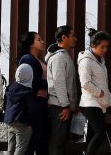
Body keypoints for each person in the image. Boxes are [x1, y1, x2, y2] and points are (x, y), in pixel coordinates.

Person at [78, 29, 111, 155]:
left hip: (99, 103)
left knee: (92, 134)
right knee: (100, 132)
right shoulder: (86, 61)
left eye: (106, 47)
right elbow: (85, 83)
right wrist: (101, 93)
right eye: (102, 47)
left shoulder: (99, 61)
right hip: (90, 103)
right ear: (93, 45)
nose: (105, 50)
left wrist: (105, 96)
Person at [46, 25, 79, 155]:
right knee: (58, 142)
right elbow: (58, 82)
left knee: (61, 142)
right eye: (73, 36)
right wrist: (66, 105)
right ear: (64, 38)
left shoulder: (63, 56)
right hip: (60, 107)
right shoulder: (60, 57)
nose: (75, 39)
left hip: (62, 106)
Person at [18, 31, 50, 155]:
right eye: (38, 39)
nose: (42, 41)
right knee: (33, 139)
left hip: (42, 103)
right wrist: (51, 84)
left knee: (41, 139)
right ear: (31, 44)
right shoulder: (27, 59)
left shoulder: (38, 59)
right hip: (35, 103)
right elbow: (32, 82)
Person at [6, 64, 42, 155]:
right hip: (22, 123)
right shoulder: (28, 92)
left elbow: (4, 105)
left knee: (10, 148)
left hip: (10, 122)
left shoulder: (10, 88)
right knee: (20, 148)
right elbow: (32, 110)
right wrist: (30, 124)